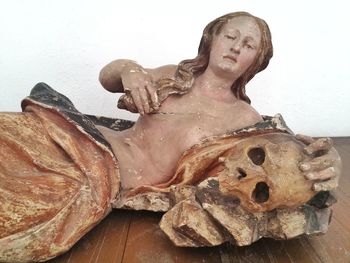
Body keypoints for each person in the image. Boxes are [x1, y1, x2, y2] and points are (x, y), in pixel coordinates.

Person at [0, 11, 341, 262]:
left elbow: (287, 156)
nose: (236, 47)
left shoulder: (245, 119)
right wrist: (130, 70)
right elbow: (108, 77)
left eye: (249, 44)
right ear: (212, 39)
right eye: (230, 36)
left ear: (255, 61)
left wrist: (328, 165)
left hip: (102, 176)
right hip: (76, 135)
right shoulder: (174, 78)